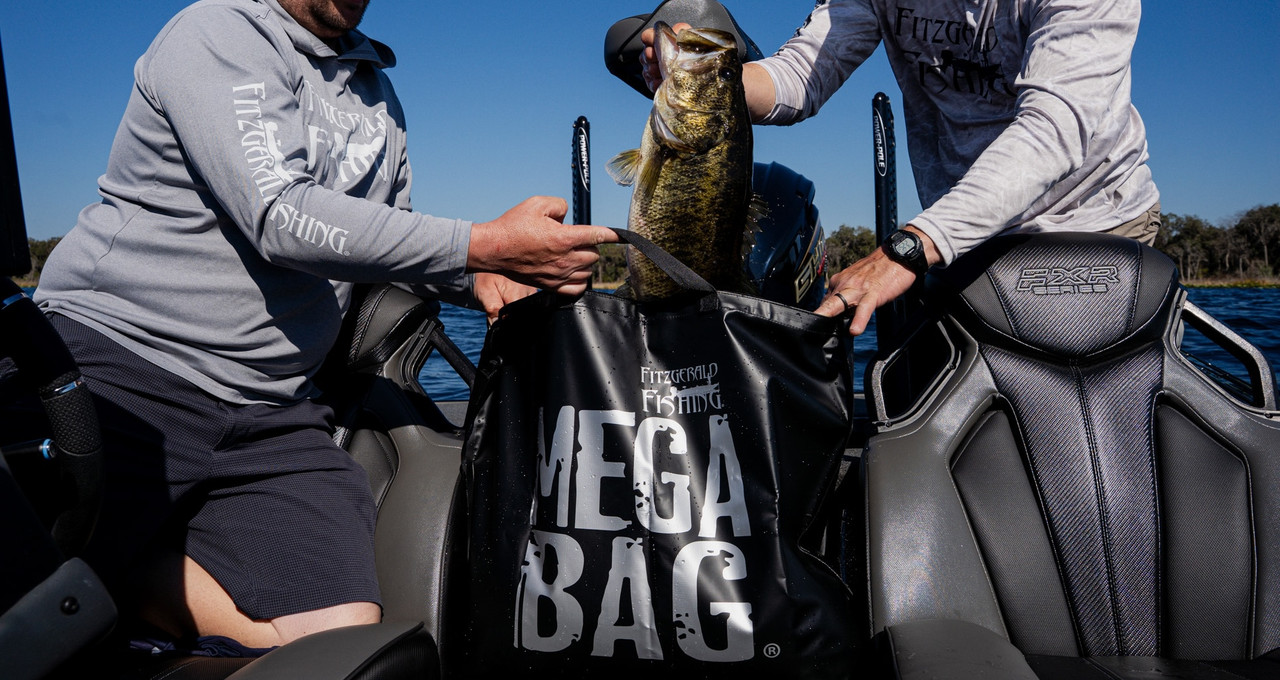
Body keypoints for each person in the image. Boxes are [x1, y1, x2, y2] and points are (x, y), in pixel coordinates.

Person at [13, 0, 616, 652]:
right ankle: (98, 571)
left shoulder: (378, 93)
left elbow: (384, 241)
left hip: (271, 408)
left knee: (339, 639)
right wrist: (483, 244)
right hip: (124, 366)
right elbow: (281, 215)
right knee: (32, 588)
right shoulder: (220, 31)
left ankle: (117, 572)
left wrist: (477, 279)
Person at [642, 0, 1160, 334]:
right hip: (962, 242)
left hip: (1093, 225)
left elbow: (1054, 129)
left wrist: (910, 248)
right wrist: (707, 79)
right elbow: (802, 74)